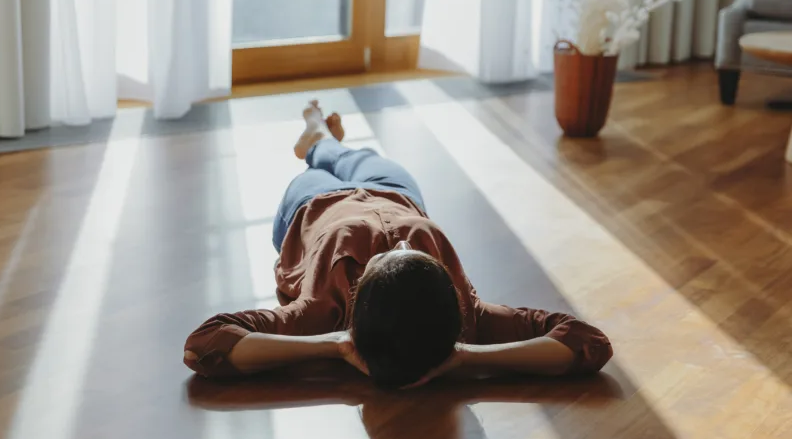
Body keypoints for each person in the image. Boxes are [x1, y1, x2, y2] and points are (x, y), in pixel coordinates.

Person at [183, 101, 613, 389]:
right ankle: (322, 139)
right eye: (416, 253)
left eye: (389, 255)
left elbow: (205, 344)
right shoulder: (466, 314)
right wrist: (466, 356)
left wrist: (333, 344)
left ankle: (318, 141)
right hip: (395, 192)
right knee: (358, 157)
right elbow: (586, 341)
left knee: (323, 166)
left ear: (357, 295)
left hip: (313, 205)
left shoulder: (320, 312)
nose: (402, 240)